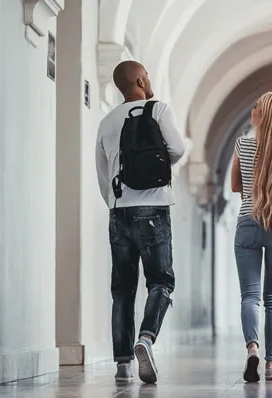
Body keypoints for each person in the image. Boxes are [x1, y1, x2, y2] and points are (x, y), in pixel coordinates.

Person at [95, 60, 186, 384]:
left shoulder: (106, 120)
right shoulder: (157, 110)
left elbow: (102, 173)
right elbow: (177, 149)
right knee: (161, 281)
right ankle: (145, 339)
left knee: (122, 289)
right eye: (146, 75)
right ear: (139, 79)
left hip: (119, 211)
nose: (149, 80)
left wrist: (117, 201)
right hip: (153, 207)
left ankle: (122, 364)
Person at [230, 92, 272, 383]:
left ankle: (252, 349)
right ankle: (270, 365)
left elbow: (235, 186)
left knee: (250, 297)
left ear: (263, 115)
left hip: (247, 222)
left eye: (255, 107)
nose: (251, 110)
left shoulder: (242, 143)